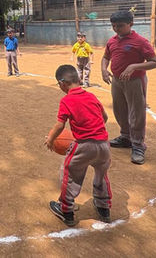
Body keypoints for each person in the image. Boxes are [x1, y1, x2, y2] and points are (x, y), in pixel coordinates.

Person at [44, 65, 112, 227]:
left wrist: (51, 140)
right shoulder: (91, 96)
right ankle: (104, 207)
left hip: (84, 146)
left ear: (62, 83)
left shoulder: (66, 100)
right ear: (78, 79)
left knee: (69, 173)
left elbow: (60, 125)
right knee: (102, 175)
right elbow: (104, 117)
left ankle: (66, 210)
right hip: (104, 145)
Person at [101, 10, 156, 165]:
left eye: (120, 26)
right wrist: (103, 69)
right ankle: (126, 137)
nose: (116, 29)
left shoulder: (140, 41)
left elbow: (155, 62)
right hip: (117, 81)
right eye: (114, 26)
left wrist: (134, 66)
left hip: (135, 81)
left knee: (136, 113)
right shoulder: (112, 41)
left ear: (130, 24)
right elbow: (106, 57)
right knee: (119, 110)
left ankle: (138, 145)